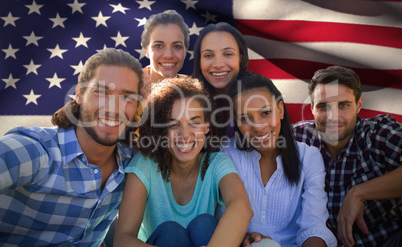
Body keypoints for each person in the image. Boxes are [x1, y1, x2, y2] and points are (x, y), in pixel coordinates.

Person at [0, 48, 143, 246]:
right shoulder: (36, 150)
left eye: (128, 97)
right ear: (79, 94)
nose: (114, 108)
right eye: (102, 92)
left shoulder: (133, 164)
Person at [113, 77, 253, 247]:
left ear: (207, 126)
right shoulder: (144, 165)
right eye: (173, 124)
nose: (185, 134)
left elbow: (241, 206)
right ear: (160, 129)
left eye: (194, 123)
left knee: (205, 224)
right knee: (170, 232)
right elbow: (122, 239)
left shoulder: (216, 163)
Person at [219, 72, 337, 246]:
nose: (258, 126)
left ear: (280, 110)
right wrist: (241, 235)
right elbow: (221, 216)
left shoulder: (309, 157)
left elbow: (314, 225)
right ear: (236, 121)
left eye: (265, 113)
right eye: (245, 118)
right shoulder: (226, 155)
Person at [293, 65, 402, 246]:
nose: (333, 116)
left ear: (359, 105)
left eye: (343, 105)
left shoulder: (378, 134)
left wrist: (359, 193)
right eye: (322, 106)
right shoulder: (297, 139)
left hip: (388, 240)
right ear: (312, 108)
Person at [192, 22, 249, 137]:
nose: (218, 64)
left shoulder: (260, 92)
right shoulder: (186, 99)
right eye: (208, 55)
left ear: (240, 57)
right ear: (199, 61)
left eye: (228, 54)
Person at [140, 10, 189, 97]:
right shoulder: (126, 86)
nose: (168, 55)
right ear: (146, 50)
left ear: (185, 50)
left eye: (177, 46)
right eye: (158, 46)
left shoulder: (195, 89)